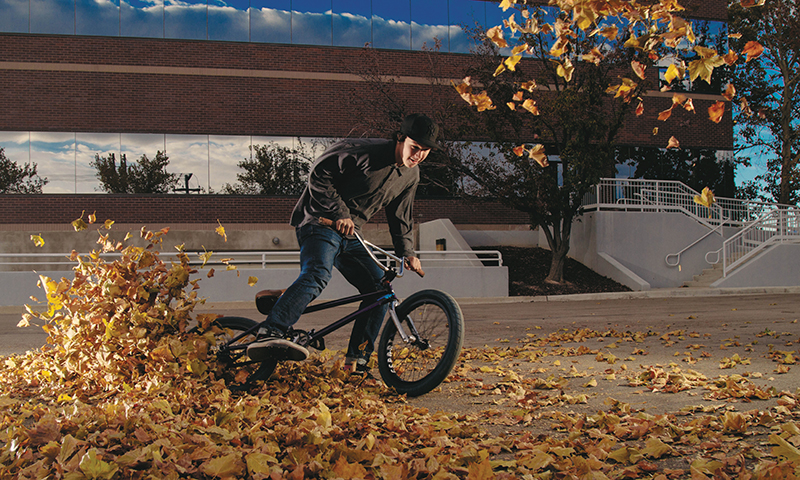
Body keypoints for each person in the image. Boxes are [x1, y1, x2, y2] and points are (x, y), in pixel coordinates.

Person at [247, 113, 441, 373]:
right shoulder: (364, 151)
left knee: (380, 291)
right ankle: (271, 330)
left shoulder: (410, 176)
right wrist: (340, 212)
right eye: (414, 148)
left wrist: (407, 252)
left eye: (425, 151)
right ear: (400, 139)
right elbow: (318, 175)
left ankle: (356, 363)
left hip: (352, 235)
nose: (417, 156)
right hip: (319, 222)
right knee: (318, 274)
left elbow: (400, 216)